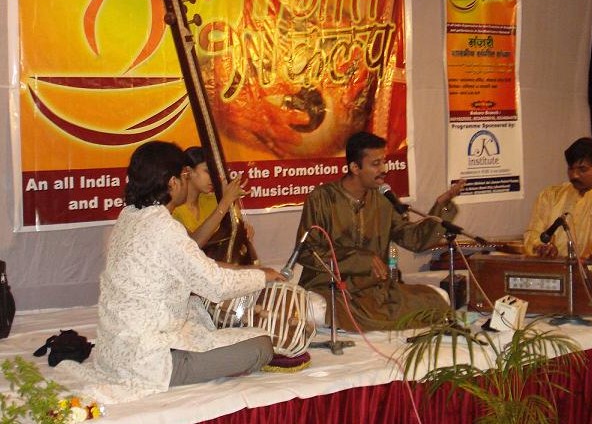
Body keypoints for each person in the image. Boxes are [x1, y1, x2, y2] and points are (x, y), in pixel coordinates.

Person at [90, 141, 282, 401]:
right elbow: (216, 286)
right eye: (184, 175)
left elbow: (189, 259)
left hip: (113, 349)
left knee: (198, 314)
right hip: (148, 361)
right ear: (172, 183)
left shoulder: (128, 216)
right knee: (260, 346)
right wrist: (263, 276)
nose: (188, 179)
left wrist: (238, 268)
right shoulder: (163, 226)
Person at [295, 131, 465, 331]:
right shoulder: (322, 199)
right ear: (355, 167)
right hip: (332, 288)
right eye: (376, 164)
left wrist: (440, 208)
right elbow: (306, 252)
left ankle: (361, 320)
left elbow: (413, 240)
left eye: (384, 162)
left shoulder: (384, 200)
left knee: (437, 300)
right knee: (317, 309)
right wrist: (359, 259)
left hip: (374, 291)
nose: (383, 169)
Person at [523, 137, 592, 268]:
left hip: (589, 275)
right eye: (571, 169)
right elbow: (533, 233)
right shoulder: (550, 196)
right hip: (550, 271)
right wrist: (541, 247)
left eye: (582, 169)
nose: (574, 175)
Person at [173, 146, 252, 250]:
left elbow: (234, 230)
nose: (214, 177)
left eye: (215, 173)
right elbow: (193, 245)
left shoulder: (213, 200)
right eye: (208, 171)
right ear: (188, 171)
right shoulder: (173, 208)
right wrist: (226, 201)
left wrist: (242, 228)